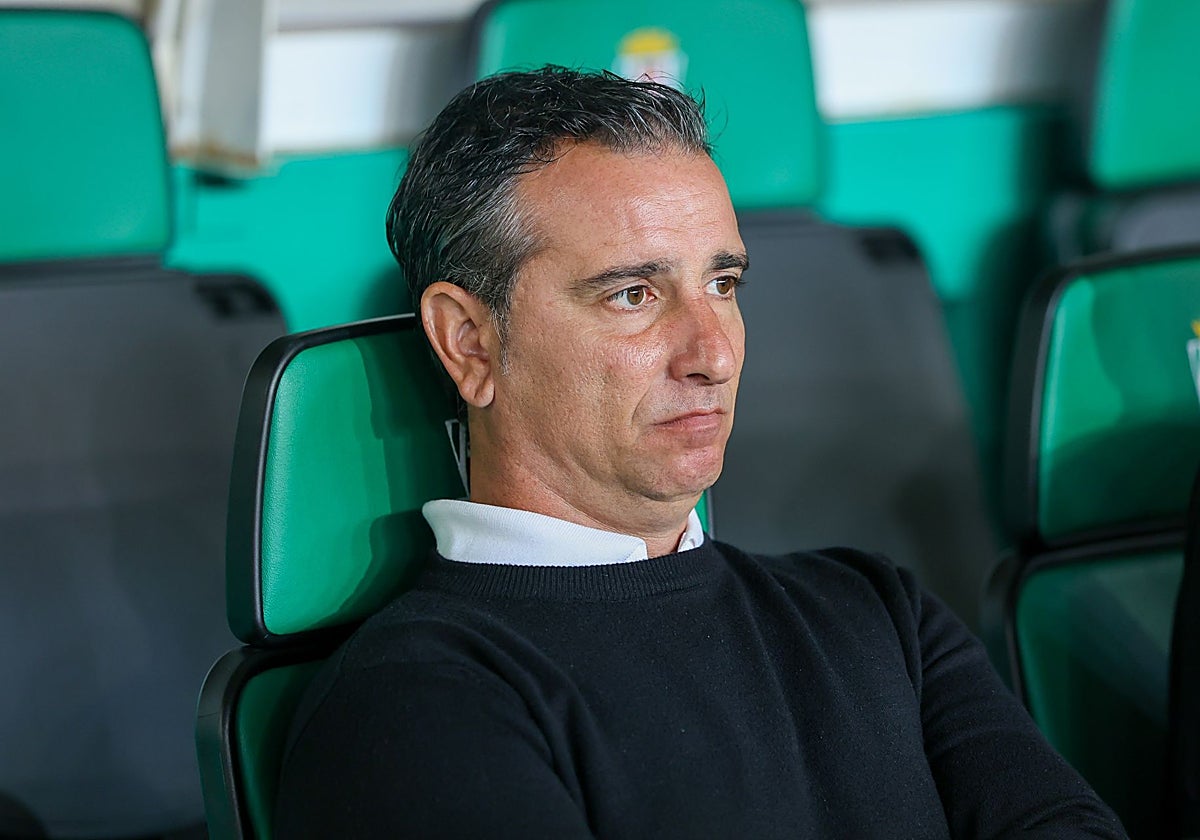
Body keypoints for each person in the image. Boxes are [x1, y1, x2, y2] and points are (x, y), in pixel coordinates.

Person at [274, 66, 1126, 838]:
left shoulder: (878, 612)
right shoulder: (413, 701)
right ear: (469, 342)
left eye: (723, 284)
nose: (713, 354)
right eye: (633, 294)